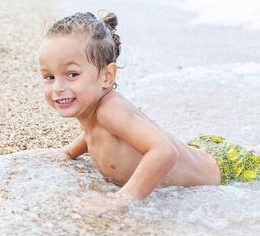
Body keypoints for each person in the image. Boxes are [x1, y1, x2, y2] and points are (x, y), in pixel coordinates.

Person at [38, 11, 260, 214]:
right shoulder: (95, 114)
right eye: (49, 77)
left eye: (72, 74)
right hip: (202, 152)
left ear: (107, 77)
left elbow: (165, 151)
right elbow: (93, 132)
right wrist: (68, 152)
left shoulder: (110, 110)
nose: (58, 87)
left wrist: (121, 199)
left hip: (227, 169)